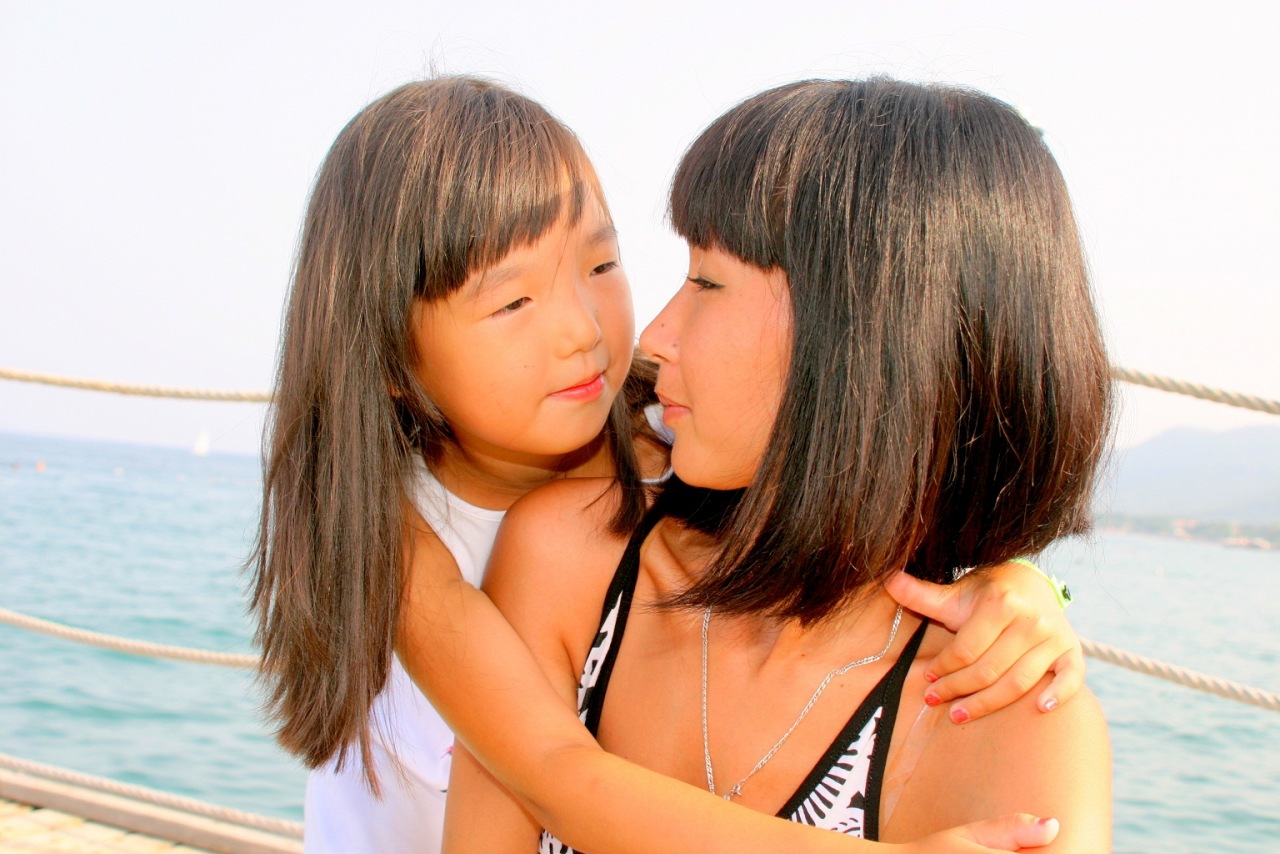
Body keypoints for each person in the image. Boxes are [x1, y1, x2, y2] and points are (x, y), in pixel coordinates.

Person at [251, 76, 1089, 854]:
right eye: (512, 300)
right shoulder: (399, 545)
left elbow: (846, 462)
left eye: (602, 266)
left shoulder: (663, 436)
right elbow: (556, 775)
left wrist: (1022, 585)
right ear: (391, 359)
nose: (588, 330)